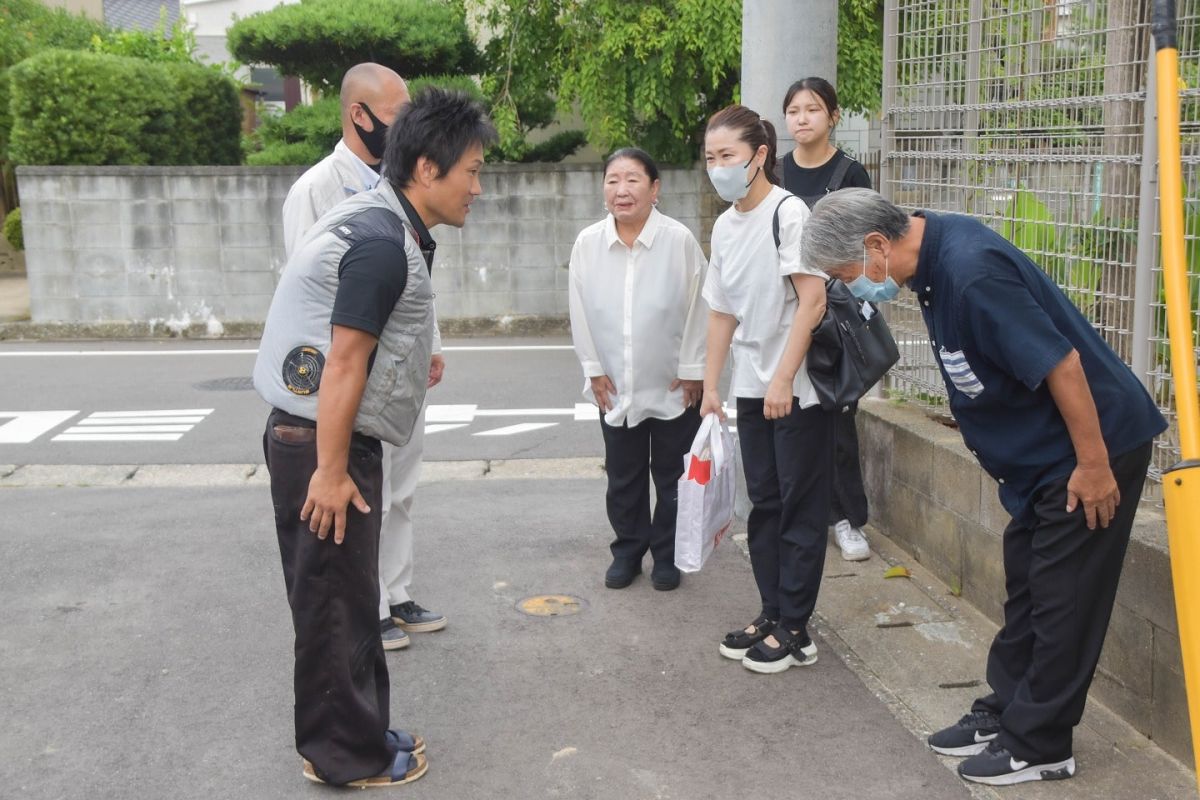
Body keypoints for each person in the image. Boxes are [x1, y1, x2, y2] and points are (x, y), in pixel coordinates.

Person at [800, 188, 1166, 786]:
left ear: (876, 246)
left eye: (846, 275)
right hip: (1041, 459)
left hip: (1086, 449)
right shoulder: (932, 257)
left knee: (1063, 600)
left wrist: (1094, 465)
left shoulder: (969, 273)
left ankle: (1042, 743)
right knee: (1028, 586)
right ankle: (1006, 712)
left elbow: (1062, 364)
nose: (850, 288)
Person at [254, 88, 497, 788]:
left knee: (350, 599)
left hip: (323, 438)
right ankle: (340, 756)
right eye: (472, 171)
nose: (477, 187)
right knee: (332, 604)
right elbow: (345, 361)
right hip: (319, 446)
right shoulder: (381, 244)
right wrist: (331, 473)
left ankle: (359, 732)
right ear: (427, 168)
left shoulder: (385, 221)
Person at [282, 63, 447, 652]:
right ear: (360, 115)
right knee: (358, 485)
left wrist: (433, 343)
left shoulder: (401, 179)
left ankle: (397, 591)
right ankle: (368, 605)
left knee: (402, 483)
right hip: (353, 373)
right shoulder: (317, 189)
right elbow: (310, 299)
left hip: (400, 364)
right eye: (399, 116)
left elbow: (414, 275)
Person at [699, 105, 835, 675]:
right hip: (753, 384)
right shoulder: (726, 225)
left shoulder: (790, 212)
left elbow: (813, 298)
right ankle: (773, 611)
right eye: (710, 158)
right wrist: (712, 388)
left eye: (727, 156)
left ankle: (797, 628)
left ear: (759, 156)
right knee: (765, 504)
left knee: (799, 506)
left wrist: (783, 377)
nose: (718, 167)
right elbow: (721, 312)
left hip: (796, 385)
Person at [568, 147, 708, 592]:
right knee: (623, 475)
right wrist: (593, 369)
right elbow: (579, 310)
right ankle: (628, 551)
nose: (621, 190)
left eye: (632, 180)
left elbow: (700, 309)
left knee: (671, 476)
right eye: (612, 180)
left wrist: (693, 370)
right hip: (614, 383)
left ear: (655, 189)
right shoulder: (588, 244)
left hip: (671, 384)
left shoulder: (679, 240)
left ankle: (666, 555)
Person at [779, 76, 873, 562]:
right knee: (790, 418)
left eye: (812, 109)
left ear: (833, 116)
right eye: (794, 110)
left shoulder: (851, 172)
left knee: (838, 417)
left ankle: (846, 519)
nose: (802, 119)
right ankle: (797, 514)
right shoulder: (772, 174)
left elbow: (867, 243)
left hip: (835, 317)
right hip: (783, 315)